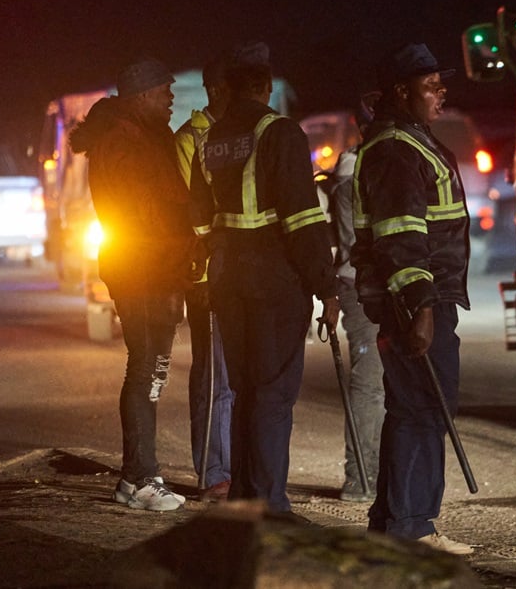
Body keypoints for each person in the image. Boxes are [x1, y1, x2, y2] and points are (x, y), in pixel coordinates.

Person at [188, 41, 339, 512]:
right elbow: (303, 220)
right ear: (265, 86)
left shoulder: (210, 141)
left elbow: (196, 221)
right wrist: (326, 287)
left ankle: (245, 496)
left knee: (245, 391)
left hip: (228, 281)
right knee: (273, 395)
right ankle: (270, 504)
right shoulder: (281, 133)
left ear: (229, 88)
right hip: (274, 283)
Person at [351, 43, 473, 555]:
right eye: (430, 85)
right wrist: (420, 307)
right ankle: (413, 527)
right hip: (416, 302)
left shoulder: (407, 141)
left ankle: (394, 522)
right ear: (402, 91)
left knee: (413, 409)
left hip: (421, 299)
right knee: (422, 410)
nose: (441, 92)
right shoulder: (397, 148)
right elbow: (402, 236)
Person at [70, 57, 195, 512]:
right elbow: (148, 211)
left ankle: (144, 473)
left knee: (152, 368)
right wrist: (181, 246)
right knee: (146, 367)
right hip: (142, 269)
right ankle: (137, 479)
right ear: (142, 95)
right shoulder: (124, 140)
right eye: (165, 91)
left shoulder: (139, 133)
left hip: (154, 267)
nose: (171, 99)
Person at [174, 54, 234, 502]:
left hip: (243, 272)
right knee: (215, 378)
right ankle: (213, 472)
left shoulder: (242, 136)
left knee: (240, 378)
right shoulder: (190, 139)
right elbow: (190, 210)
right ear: (217, 91)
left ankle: (234, 467)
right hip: (209, 275)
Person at [323, 93, 384, 503]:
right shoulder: (358, 166)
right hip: (364, 288)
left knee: (375, 383)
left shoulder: (360, 163)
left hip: (369, 285)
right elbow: (354, 241)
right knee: (370, 383)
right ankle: (360, 478)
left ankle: (370, 476)